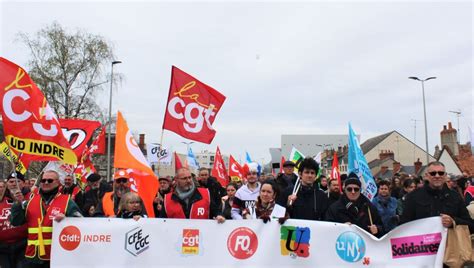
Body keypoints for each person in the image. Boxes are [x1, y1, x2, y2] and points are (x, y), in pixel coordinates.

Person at [10, 170, 82, 267]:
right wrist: (18, 204)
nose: (46, 183)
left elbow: (80, 223)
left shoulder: (67, 201)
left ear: (58, 182)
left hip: (55, 256)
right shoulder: (31, 200)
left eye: (50, 180)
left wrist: (67, 220)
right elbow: (15, 222)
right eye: (43, 180)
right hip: (32, 257)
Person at [400, 161, 474, 233]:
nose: (437, 176)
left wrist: (453, 221)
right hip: (423, 243)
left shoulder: (455, 196)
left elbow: (470, 225)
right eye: (433, 173)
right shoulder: (413, 197)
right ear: (426, 176)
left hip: (450, 243)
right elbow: (404, 226)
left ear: (445, 176)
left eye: (441, 173)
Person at [326, 173, 384, 237]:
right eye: (349, 189)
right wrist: (340, 228)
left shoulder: (369, 207)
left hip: (365, 244)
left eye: (356, 189)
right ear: (344, 190)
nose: (353, 192)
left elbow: (381, 227)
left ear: (360, 190)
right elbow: (328, 230)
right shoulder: (334, 208)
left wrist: (377, 229)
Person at [160, 167, 225, 223]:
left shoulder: (206, 194)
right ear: (176, 180)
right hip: (176, 236)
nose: (188, 181)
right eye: (184, 178)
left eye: (189, 177)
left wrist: (219, 215)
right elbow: (162, 221)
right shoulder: (167, 199)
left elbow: (216, 211)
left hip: (202, 235)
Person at [0, 179, 27, 268]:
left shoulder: (30, 198)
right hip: (3, 248)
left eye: (18, 181)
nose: (14, 184)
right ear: (7, 185)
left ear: (23, 184)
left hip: (23, 245)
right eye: (11, 182)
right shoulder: (2, 200)